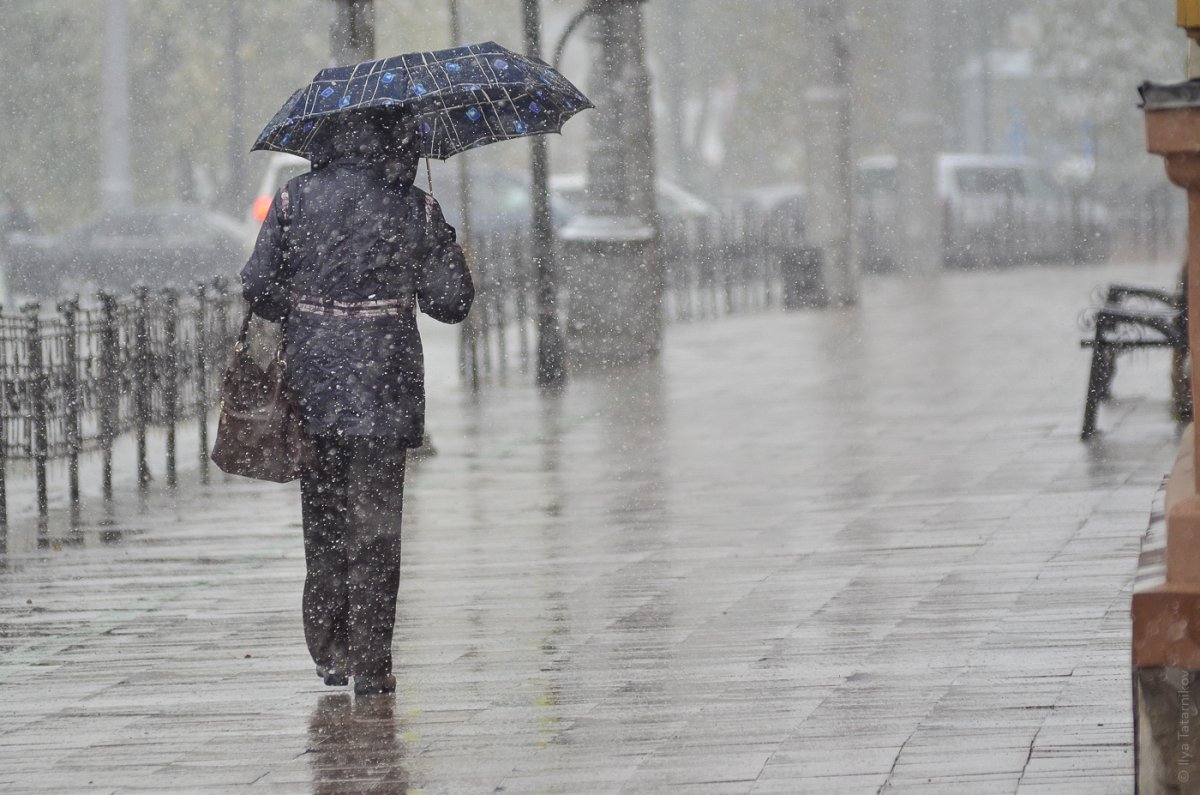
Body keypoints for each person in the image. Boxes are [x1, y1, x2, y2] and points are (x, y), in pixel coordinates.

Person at [241, 108, 474, 695]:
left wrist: (310, 300)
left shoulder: (294, 201)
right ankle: (372, 664)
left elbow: (260, 291)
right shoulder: (414, 206)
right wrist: (440, 242)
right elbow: (451, 302)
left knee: (323, 526)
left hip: (313, 389)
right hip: (384, 388)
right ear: (398, 138)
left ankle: (331, 649)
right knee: (376, 532)